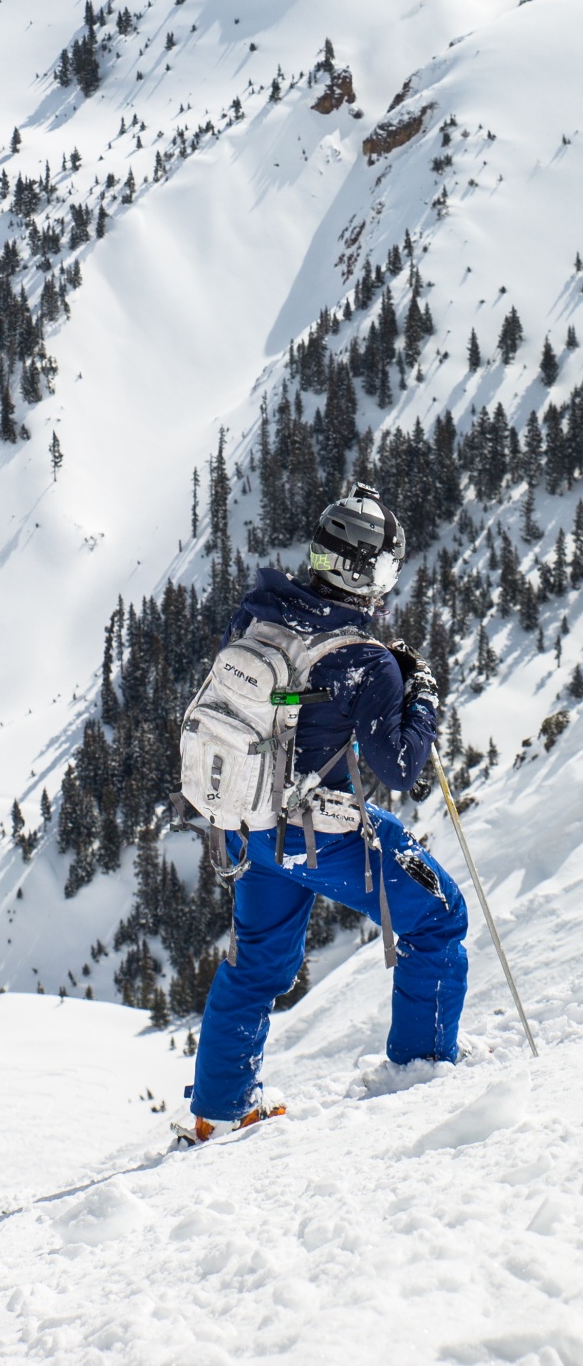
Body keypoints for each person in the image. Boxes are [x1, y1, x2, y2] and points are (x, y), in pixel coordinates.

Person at [180, 482, 468, 1143]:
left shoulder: (257, 618)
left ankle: (219, 1113)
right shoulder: (366, 663)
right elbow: (399, 767)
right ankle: (420, 1069)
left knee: (257, 966)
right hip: (325, 836)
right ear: (367, 570)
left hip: (250, 830)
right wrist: (419, 697)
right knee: (440, 917)